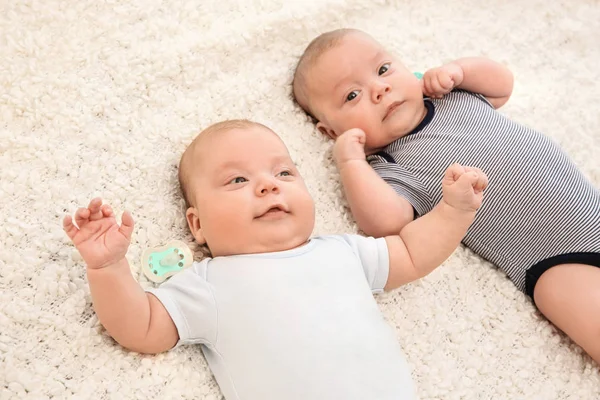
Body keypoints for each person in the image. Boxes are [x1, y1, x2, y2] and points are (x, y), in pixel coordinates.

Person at [63, 119, 487, 400]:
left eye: (284, 173)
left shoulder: (343, 251)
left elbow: (413, 253)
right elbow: (144, 328)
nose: (268, 186)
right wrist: (107, 268)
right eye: (238, 180)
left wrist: (453, 212)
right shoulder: (209, 283)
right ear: (197, 226)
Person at [292, 28, 600, 363]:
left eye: (383, 70)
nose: (379, 89)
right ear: (331, 131)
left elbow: (502, 84)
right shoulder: (389, 166)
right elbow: (386, 222)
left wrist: (460, 70)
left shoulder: (449, 95)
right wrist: (350, 162)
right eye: (352, 96)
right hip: (555, 262)